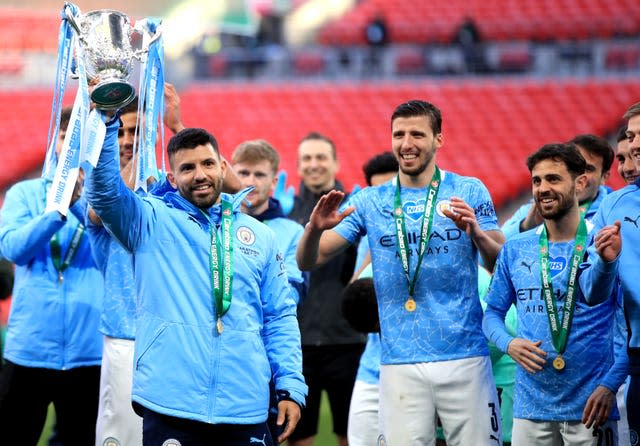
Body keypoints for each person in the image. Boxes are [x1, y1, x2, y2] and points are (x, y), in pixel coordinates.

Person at [297, 100, 505, 445]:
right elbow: (308, 260)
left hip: (465, 354)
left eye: (417, 134)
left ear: (438, 139)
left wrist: (478, 235)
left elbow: (500, 261)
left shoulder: (468, 190)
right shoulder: (370, 201)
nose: (406, 143)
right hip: (397, 360)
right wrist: (313, 229)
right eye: (399, 134)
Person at [86, 123, 306, 445]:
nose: (200, 174)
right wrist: (107, 124)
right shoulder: (150, 221)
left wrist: (289, 384)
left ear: (223, 167)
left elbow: (279, 316)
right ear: (172, 178)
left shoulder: (260, 235)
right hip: (172, 403)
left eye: (207, 164)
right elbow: (105, 196)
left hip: (245, 404)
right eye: (187, 168)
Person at [483, 143, 625, 445]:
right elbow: (491, 315)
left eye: (553, 179)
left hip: (592, 406)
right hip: (530, 408)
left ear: (580, 182)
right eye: (537, 181)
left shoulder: (603, 244)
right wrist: (509, 344)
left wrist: (611, 385)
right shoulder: (515, 248)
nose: (543, 188)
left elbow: (630, 325)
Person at [0, 106, 104, 445]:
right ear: (54, 143)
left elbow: (110, 256)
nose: (70, 148)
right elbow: (14, 249)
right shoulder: (24, 194)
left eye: (80, 142)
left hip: (88, 352)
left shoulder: (104, 204)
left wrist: (76, 204)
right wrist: (56, 211)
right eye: (65, 138)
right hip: (29, 348)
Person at [287, 131, 365, 446]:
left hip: (347, 340)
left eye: (321, 157)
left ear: (336, 163)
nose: (314, 164)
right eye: (307, 158)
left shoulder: (354, 211)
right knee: (299, 434)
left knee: (352, 435)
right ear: (298, 165)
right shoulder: (286, 211)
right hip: (298, 343)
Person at [230, 139, 308, 444]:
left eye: (259, 175)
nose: (250, 182)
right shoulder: (218, 223)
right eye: (243, 173)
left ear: (275, 181)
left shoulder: (291, 232)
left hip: (267, 352)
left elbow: (287, 298)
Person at [591, 102, 640, 444]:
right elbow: (591, 292)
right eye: (629, 138)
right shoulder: (614, 206)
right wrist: (606, 262)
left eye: (637, 137)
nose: (632, 147)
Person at [502, 134, 614, 239]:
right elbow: (495, 250)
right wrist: (525, 227)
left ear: (604, 177)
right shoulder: (534, 210)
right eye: (573, 167)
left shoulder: (614, 211)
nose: (579, 175)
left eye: (588, 169)